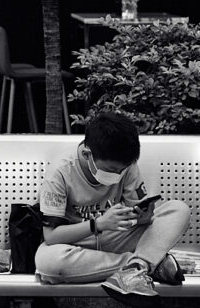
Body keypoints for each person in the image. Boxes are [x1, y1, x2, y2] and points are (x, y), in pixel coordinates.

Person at [35, 111, 191, 298]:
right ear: (87, 154)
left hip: (118, 237)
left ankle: (136, 268)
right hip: (76, 244)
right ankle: (140, 265)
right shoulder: (60, 172)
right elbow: (51, 236)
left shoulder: (126, 165)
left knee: (178, 210)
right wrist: (98, 224)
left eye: (122, 170)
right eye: (111, 169)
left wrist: (144, 218)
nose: (118, 174)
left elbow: (138, 217)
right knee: (49, 263)